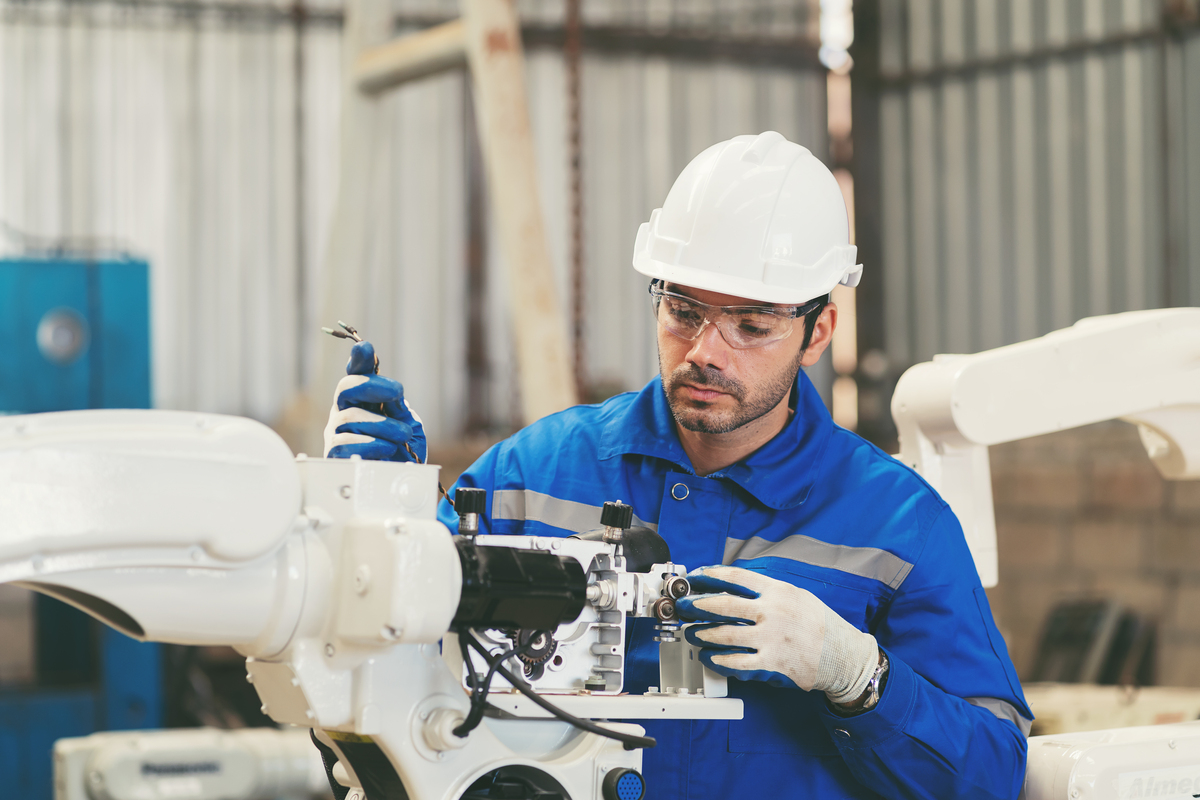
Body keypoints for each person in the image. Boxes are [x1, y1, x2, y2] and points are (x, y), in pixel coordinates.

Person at [323, 131, 1032, 799]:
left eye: (750, 326)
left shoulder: (897, 525)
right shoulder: (532, 475)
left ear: (818, 331)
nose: (705, 351)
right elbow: (370, 669)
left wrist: (858, 677)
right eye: (683, 310)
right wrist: (385, 517)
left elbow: (992, 773)